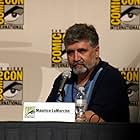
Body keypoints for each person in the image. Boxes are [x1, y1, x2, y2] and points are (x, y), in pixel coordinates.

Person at [46, 23, 130, 123]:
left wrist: (56, 115)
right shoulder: (63, 79)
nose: (76, 58)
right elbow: (46, 113)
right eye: (70, 52)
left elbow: (96, 118)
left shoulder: (110, 77)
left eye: (82, 51)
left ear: (97, 51)